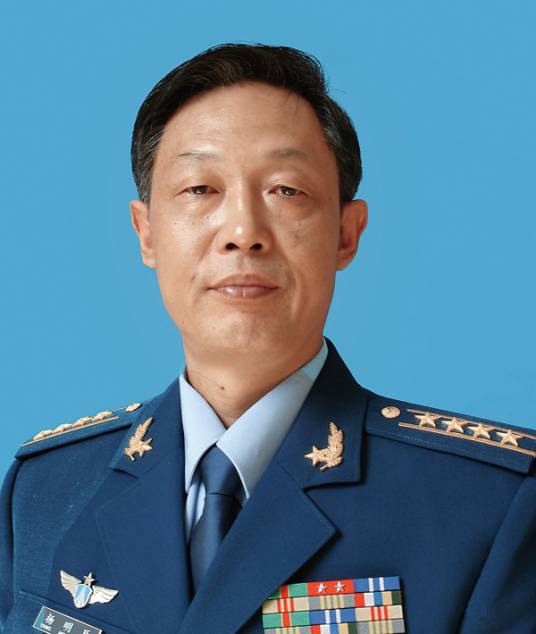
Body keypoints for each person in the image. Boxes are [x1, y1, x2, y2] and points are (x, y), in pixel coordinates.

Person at [0, 43, 534, 634]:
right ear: (146, 232)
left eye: (286, 190)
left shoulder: (487, 503)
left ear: (346, 234)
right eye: (200, 189)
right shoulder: (47, 490)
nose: (243, 232)